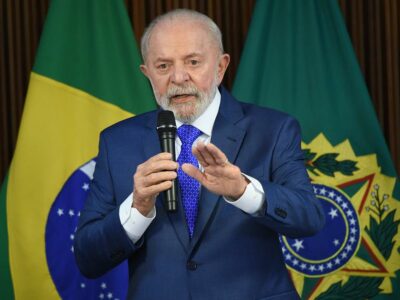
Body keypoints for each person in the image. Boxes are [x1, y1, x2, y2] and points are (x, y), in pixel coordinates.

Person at [74, 9, 325, 300]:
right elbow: (87, 258)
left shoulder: (274, 129)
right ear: (147, 73)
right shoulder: (118, 142)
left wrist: (244, 191)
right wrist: (137, 209)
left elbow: (310, 219)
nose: (179, 77)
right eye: (163, 66)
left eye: (193, 62)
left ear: (220, 66)